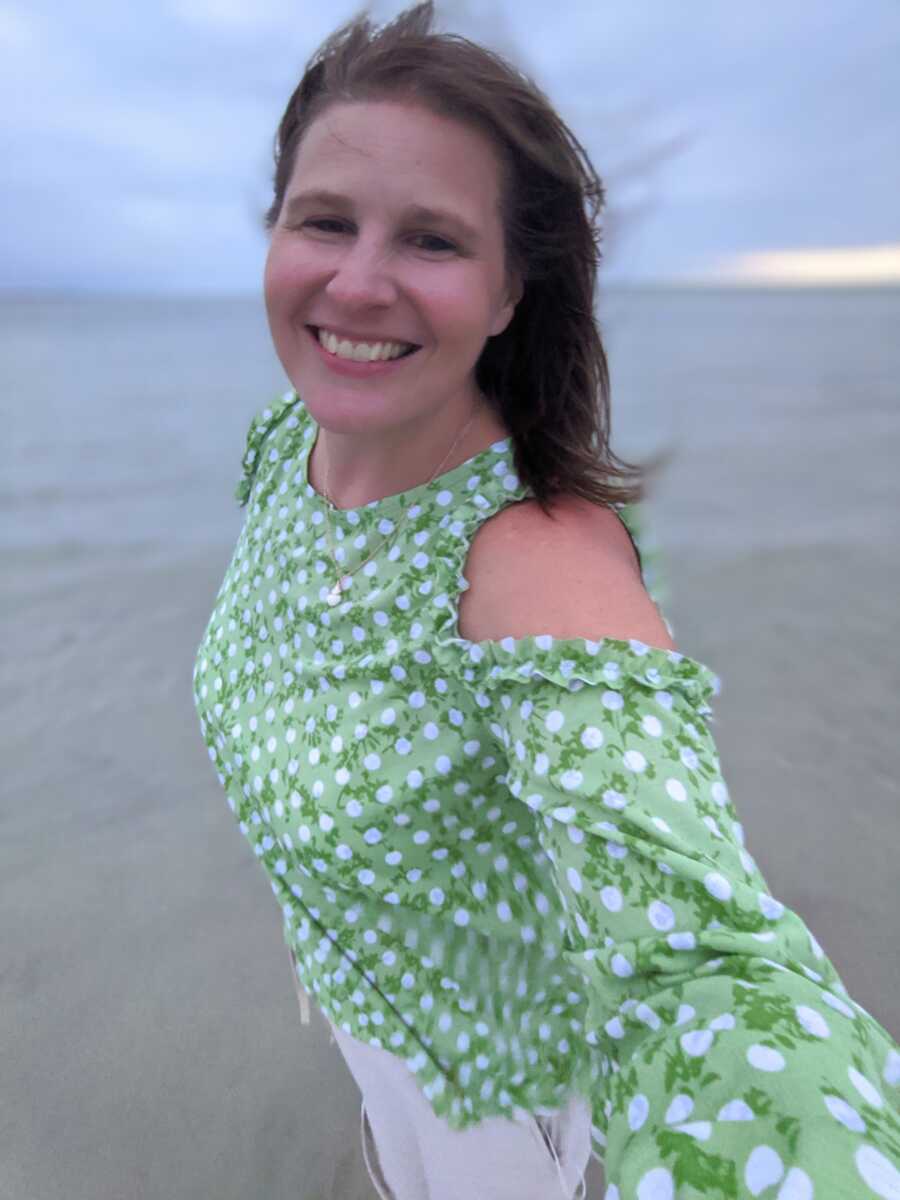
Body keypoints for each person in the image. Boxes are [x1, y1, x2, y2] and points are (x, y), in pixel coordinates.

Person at [192, 5, 900, 1197]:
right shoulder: (282, 451)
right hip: (375, 1023)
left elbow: (702, 957)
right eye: (326, 221)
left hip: (511, 1114)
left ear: (514, 291)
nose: (358, 282)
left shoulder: (536, 556)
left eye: (432, 240)